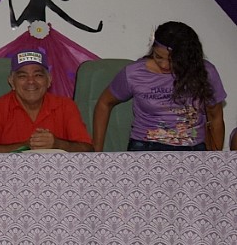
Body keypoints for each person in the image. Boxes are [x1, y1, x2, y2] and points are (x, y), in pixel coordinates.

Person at [93, 21, 226, 151]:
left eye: (172, 60)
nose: (164, 65)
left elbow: (215, 117)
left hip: (192, 148)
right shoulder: (134, 73)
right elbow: (104, 103)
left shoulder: (205, 72)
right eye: (158, 57)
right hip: (145, 146)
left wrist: (216, 161)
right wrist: (97, 153)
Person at [0, 50, 91, 153]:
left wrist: (58, 144)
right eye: (22, 76)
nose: (31, 82)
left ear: (49, 80)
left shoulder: (66, 106)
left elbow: (88, 150)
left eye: (38, 75)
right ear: (11, 82)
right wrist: (26, 146)